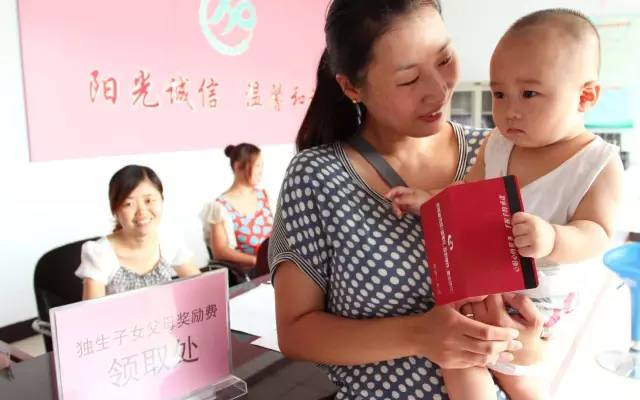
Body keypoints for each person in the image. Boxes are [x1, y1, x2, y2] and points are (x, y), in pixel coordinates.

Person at [268, 1, 545, 399]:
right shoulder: (318, 177)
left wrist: (528, 346)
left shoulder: (503, 154)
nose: (438, 89)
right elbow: (295, 332)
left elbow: (554, 287)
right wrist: (419, 334)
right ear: (351, 88)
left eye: (444, 59)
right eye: (409, 79)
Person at [387, 9, 624, 400]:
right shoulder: (498, 144)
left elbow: (597, 233)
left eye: (529, 94)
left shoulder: (597, 162)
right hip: (487, 279)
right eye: (499, 94)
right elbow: (469, 193)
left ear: (585, 96)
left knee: (518, 376)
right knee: (460, 359)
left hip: (540, 299)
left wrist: (553, 238)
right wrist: (431, 200)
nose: (509, 109)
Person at [76, 165, 200, 299]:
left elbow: (202, 288)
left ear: (162, 199)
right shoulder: (100, 254)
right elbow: (92, 311)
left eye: (149, 200)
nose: (142, 211)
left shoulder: (167, 241)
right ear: (115, 210)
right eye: (128, 204)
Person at [201, 143, 273, 275]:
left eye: (262, 166)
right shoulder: (220, 206)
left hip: (275, 265)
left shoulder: (265, 196)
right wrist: (256, 261)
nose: (261, 171)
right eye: (257, 166)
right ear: (238, 166)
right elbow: (220, 251)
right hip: (250, 272)